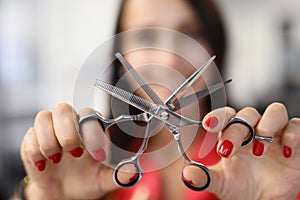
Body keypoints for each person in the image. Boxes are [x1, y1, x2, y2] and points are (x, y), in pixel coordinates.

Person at [16, 0, 300, 199]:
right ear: (121, 56)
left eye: (190, 33)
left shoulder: (258, 160)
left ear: (216, 45)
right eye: (146, 35)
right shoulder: (90, 165)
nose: (168, 58)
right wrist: (44, 195)